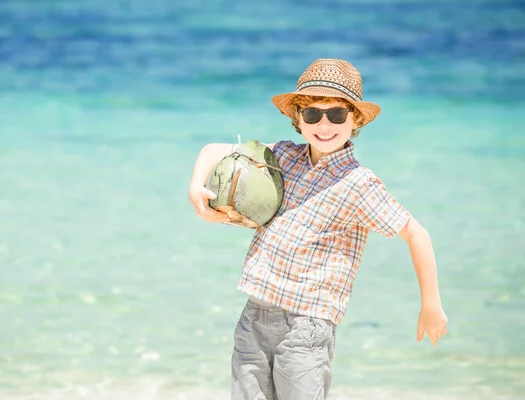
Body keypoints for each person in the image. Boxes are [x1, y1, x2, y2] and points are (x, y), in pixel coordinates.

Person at [188, 58, 448, 400]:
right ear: (298, 118)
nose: (324, 124)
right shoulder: (283, 156)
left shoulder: (358, 183)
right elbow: (215, 149)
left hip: (307, 326)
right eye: (313, 114)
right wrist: (197, 190)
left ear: (354, 119)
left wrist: (431, 305)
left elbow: (417, 233)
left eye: (337, 114)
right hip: (255, 313)